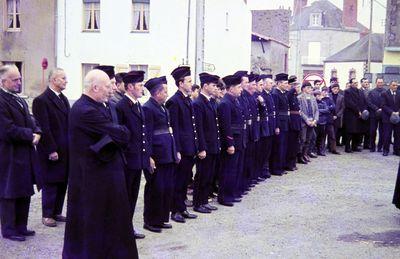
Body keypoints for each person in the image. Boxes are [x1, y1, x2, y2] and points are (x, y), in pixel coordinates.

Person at [62, 69, 138, 258]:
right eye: (107, 86)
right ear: (95, 88)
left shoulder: (101, 106)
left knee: (111, 221)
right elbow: (121, 133)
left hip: (105, 173)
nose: (111, 89)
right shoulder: (84, 110)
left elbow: (122, 132)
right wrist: (120, 133)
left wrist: (119, 133)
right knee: (92, 222)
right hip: (92, 177)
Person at [0, 65, 42, 242]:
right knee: (9, 192)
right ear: (3, 81)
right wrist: (30, 135)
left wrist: (37, 131)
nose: (19, 82)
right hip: (9, 154)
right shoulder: (1, 100)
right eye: (15, 79)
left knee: (24, 190)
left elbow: (30, 119)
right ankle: (9, 229)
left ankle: (21, 226)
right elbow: (6, 129)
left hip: (24, 153)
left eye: (19, 78)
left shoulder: (19, 99)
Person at [32, 68, 70, 228]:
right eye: (63, 78)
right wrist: (51, 149)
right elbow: (44, 127)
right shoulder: (42, 100)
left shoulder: (64, 99)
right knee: (51, 181)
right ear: (54, 80)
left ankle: (56, 211)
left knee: (62, 180)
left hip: (65, 148)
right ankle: (47, 214)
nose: (66, 81)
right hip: (52, 149)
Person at [142, 76, 179, 232]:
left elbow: (170, 131)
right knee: (155, 189)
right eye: (164, 91)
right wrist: (148, 156)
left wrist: (175, 150)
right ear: (157, 93)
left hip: (167, 153)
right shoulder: (148, 108)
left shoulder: (163, 107)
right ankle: (151, 221)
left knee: (166, 188)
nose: (166, 94)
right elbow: (147, 135)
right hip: (157, 155)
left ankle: (162, 218)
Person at [115, 70, 148, 239]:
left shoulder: (137, 104)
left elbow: (143, 133)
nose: (142, 88)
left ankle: (127, 227)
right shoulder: (121, 106)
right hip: (127, 160)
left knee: (133, 196)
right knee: (125, 196)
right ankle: (121, 229)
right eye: (140, 85)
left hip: (138, 159)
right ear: (129, 87)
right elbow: (119, 135)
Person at [166, 66, 198, 223]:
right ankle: (175, 210)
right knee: (178, 180)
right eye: (189, 81)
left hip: (189, 147)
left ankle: (182, 208)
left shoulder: (187, 99)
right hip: (182, 148)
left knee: (185, 179)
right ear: (180, 83)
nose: (191, 84)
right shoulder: (174, 101)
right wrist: (177, 150)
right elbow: (175, 128)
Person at [192, 72, 221, 213]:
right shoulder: (198, 103)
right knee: (202, 175)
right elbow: (199, 128)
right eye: (213, 85)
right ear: (205, 86)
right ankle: (198, 203)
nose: (215, 88)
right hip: (205, 146)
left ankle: (204, 200)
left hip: (213, 144)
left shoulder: (210, 101)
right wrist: (201, 148)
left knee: (209, 175)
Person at [217, 74, 245, 206]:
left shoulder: (234, 100)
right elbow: (225, 126)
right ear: (231, 88)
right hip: (232, 141)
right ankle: (224, 196)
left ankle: (231, 193)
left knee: (235, 169)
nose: (241, 89)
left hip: (239, 139)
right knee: (228, 170)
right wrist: (229, 143)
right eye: (239, 87)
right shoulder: (225, 103)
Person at [271, 73, 290, 176]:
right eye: (285, 83)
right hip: (280, 123)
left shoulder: (283, 93)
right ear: (279, 83)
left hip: (285, 122)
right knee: (278, 147)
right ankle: (276, 168)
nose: (287, 85)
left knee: (283, 146)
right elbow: (276, 111)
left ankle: (281, 166)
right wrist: (277, 125)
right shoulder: (275, 94)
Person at [259, 75, 276, 178]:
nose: (272, 85)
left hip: (270, 124)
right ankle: (263, 169)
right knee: (264, 149)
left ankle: (266, 168)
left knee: (268, 148)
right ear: (264, 84)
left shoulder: (269, 94)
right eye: (270, 83)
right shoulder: (262, 95)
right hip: (265, 125)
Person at [298, 81, 319, 163]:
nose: (310, 89)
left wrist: (315, 120)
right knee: (302, 139)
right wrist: (306, 120)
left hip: (312, 121)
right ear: (303, 89)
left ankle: (305, 154)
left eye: (310, 88)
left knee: (309, 139)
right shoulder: (299, 98)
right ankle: (299, 156)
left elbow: (316, 110)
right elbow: (300, 111)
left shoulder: (313, 98)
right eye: (308, 88)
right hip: (304, 122)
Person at [343, 78, 366, 153]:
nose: (356, 84)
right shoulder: (347, 91)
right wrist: (358, 111)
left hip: (359, 115)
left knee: (357, 131)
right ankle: (347, 147)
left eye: (356, 82)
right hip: (351, 114)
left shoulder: (360, 91)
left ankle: (354, 146)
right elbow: (349, 103)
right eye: (354, 83)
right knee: (349, 132)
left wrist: (362, 111)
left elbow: (362, 102)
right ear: (350, 84)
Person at [285, 78, 302, 171]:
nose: (297, 88)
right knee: (291, 144)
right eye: (296, 85)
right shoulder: (289, 94)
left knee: (295, 144)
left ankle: (292, 162)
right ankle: (289, 164)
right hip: (292, 121)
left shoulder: (295, 96)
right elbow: (288, 96)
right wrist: (293, 88)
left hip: (297, 121)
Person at [381, 80, 400, 156]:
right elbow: (383, 105)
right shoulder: (384, 94)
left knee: (398, 135)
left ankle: (396, 150)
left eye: (396, 85)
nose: (395, 87)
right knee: (387, 135)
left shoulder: (399, 93)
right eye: (393, 85)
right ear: (390, 86)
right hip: (387, 118)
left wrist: (398, 112)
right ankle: (385, 150)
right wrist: (392, 112)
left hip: (398, 117)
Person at [367, 78, 385, 152]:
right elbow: (369, 102)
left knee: (382, 132)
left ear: (383, 83)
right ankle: (372, 147)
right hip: (373, 114)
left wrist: (381, 108)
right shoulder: (371, 92)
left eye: (381, 82)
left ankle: (380, 147)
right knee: (372, 131)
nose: (380, 84)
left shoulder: (385, 92)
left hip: (383, 115)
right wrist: (376, 109)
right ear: (376, 83)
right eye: (378, 82)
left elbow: (387, 103)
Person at [321, 87, 339, 154]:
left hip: (329, 120)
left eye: (326, 91)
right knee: (323, 136)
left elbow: (333, 107)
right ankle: (321, 150)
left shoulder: (329, 99)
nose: (325, 93)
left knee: (332, 136)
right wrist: (328, 109)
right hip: (322, 120)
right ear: (321, 92)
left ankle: (333, 149)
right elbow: (320, 109)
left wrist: (326, 109)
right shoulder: (320, 99)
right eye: (324, 91)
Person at [329, 83, 345, 149]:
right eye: (334, 89)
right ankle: (329, 145)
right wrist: (331, 114)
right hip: (330, 116)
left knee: (335, 132)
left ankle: (333, 146)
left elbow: (343, 107)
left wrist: (337, 115)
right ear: (331, 89)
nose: (336, 90)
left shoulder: (341, 97)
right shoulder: (328, 96)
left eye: (337, 89)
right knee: (329, 132)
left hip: (337, 117)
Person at [314, 90, 329, 156]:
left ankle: (320, 150)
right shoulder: (314, 103)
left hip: (323, 122)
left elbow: (327, 110)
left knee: (321, 137)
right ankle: (314, 150)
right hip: (316, 122)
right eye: (318, 95)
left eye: (320, 95)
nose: (320, 97)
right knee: (315, 137)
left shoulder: (323, 102)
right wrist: (319, 112)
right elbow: (314, 111)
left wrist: (319, 111)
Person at [359, 78, 371, 149]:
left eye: (367, 82)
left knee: (368, 129)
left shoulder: (370, 91)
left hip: (369, 113)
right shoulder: (358, 91)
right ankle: (359, 143)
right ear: (361, 83)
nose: (366, 83)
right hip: (361, 113)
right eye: (365, 82)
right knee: (360, 129)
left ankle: (366, 144)